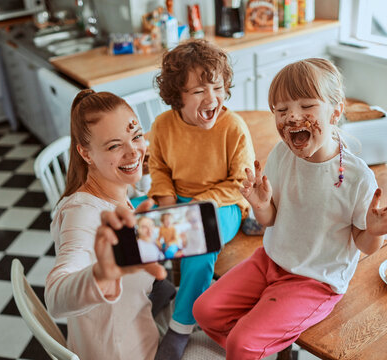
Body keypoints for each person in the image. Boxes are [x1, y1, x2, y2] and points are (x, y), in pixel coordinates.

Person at [192, 58, 387, 360]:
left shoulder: (357, 177)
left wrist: (373, 232)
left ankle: (249, 346)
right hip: (270, 260)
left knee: (242, 343)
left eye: (307, 106)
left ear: (335, 111)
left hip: (315, 281)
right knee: (204, 310)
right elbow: (270, 219)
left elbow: (365, 245)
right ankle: (253, 345)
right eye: (281, 110)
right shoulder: (282, 154)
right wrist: (258, 205)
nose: (293, 117)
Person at [44, 90, 174, 360]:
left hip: (136, 326)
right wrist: (101, 274)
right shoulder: (82, 215)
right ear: (86, 154)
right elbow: (56, 297)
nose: (133, 151)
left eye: (137, 135)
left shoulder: (111, 193)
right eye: (114, 146)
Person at [146, 39, 255, 359]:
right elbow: (159, 167)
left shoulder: (233, 127)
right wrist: (166, 201)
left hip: (223, 204)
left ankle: (181, 327)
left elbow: (240, 182)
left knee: (198, 242)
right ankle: (157, 286)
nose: (212, 99)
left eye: (218, 87)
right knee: (132, 222)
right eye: (198, 92)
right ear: (176, 96)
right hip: (177, 198)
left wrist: (196, 205)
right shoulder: (163, 125)